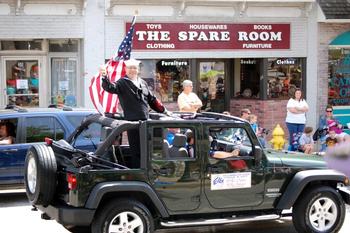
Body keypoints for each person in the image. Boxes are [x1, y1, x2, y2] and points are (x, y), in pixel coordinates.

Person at [100, 58, 169, 168]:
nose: (132, 70)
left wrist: (164, 111)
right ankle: (138, 172)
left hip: (145, 122)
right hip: (132, 123)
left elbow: (152, 100)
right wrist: (104, 76)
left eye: (134, 68)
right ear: (126, 70)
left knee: (147, 150)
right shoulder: (122, 82)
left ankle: (148, 170)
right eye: (130, 68)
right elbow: (110, 87)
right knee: (136, 150)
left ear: (138, 70)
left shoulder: (143, 82)